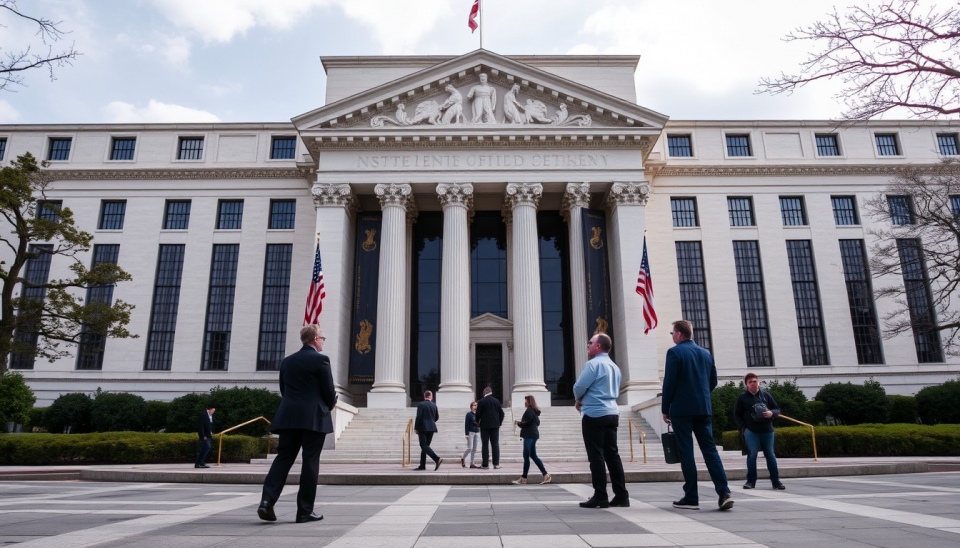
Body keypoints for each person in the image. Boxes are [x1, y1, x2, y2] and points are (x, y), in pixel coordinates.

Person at [258, 324, 338, 524]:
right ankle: (304, 511)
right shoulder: (321, 361)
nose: (323, 341)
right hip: (313, 418)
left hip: (289, 417)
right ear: (314, 339)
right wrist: (330, 404)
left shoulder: (287, 361)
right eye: (322, 338)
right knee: (310, 463)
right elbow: (329, 392)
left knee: (283, 459)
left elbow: (284, 390)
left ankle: (267, 501)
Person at [661, 320, 733, 511]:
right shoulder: (705, 353)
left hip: (681, 410)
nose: (672, 336)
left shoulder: (674, 352)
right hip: (703, 408)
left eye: (672, 333)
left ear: (679, 334)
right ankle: (724, 492)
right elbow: (713, 381)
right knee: (710, 450)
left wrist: (665, 407)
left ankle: (692, 497)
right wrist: (701, 394)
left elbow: (669, 382)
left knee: (686, 452)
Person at [573, 333, 629, 508]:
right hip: (612, 412)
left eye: (590, 342)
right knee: (612, 455)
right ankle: (621, 495)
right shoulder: (614, 366)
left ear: (598, 346)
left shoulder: (592, 365)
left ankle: (600, 495)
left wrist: (578, 399)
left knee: (596, 456)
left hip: (594, 414)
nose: (588, 345)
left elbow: (579, 387)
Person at [734, 372, 785, 490]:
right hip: (751, 431)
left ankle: (776, 481)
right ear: (746, 384)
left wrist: (772, 413)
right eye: (750, 382)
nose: (753, 383)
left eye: (755, 381)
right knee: (752, 455)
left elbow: (777, 409)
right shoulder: (742, 398)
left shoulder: (766, 396)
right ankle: (751, 481)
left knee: (771, 455)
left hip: (767, 430)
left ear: (759, 382)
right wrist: (744, 427)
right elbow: (737, 415)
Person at [512, 395, 551, 485]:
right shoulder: (534, 411)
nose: (524, 403)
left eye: (526, 401)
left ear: (529, 402)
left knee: (526, 456)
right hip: (533, 435)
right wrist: (522, 423)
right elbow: (537, 423)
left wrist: (519, 423)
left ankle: (524, 478)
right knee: (533, 456)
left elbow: (525, 423)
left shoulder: (529, 411)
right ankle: (545, 475)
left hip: (529, 435)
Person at [475, 386, 504, 469]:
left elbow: (478, 414)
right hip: (495, 425)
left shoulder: (481, 402)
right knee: (495, 444)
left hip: (484, 426)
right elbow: (502, 413)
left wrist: (477, 421)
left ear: (484, 393)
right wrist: (499, 423)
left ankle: (485, 464)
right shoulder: (496, 401)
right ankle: (496, 464)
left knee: (485, 444)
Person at [414, 390, 442, 471]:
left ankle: (436, 458)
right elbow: (436, 417)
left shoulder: (421, 404)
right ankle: (422, 465)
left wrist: (416, 428)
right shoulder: (434, 405)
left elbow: (419, 417)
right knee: (426, 446)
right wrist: (431, 422)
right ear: (431, 396)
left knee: (423, 445)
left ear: (424, 396)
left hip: (422, 427)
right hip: (432, 427)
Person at [194, 403, 215, 468]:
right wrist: (203, 435)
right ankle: (198, 463)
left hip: (208, 435)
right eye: (213, 410)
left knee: (206, 448)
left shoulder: (210, 416)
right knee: (206, 448)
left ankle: (202, 462)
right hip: (205, 436)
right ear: (210, 409)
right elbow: (201, 427)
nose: (213, 412)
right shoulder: (204, 416)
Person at [461, 401, 480, 468]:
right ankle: (463, 457)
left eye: (476, 405)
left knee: (474, 449)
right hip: (471, 432)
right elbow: (466, 424)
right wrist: (466, 434)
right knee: (470, 448)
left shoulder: (478, 414)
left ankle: (472, 463)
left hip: (477, 432)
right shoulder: (469, 414)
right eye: (474, 405)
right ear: (471, 406)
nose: (475, 406)